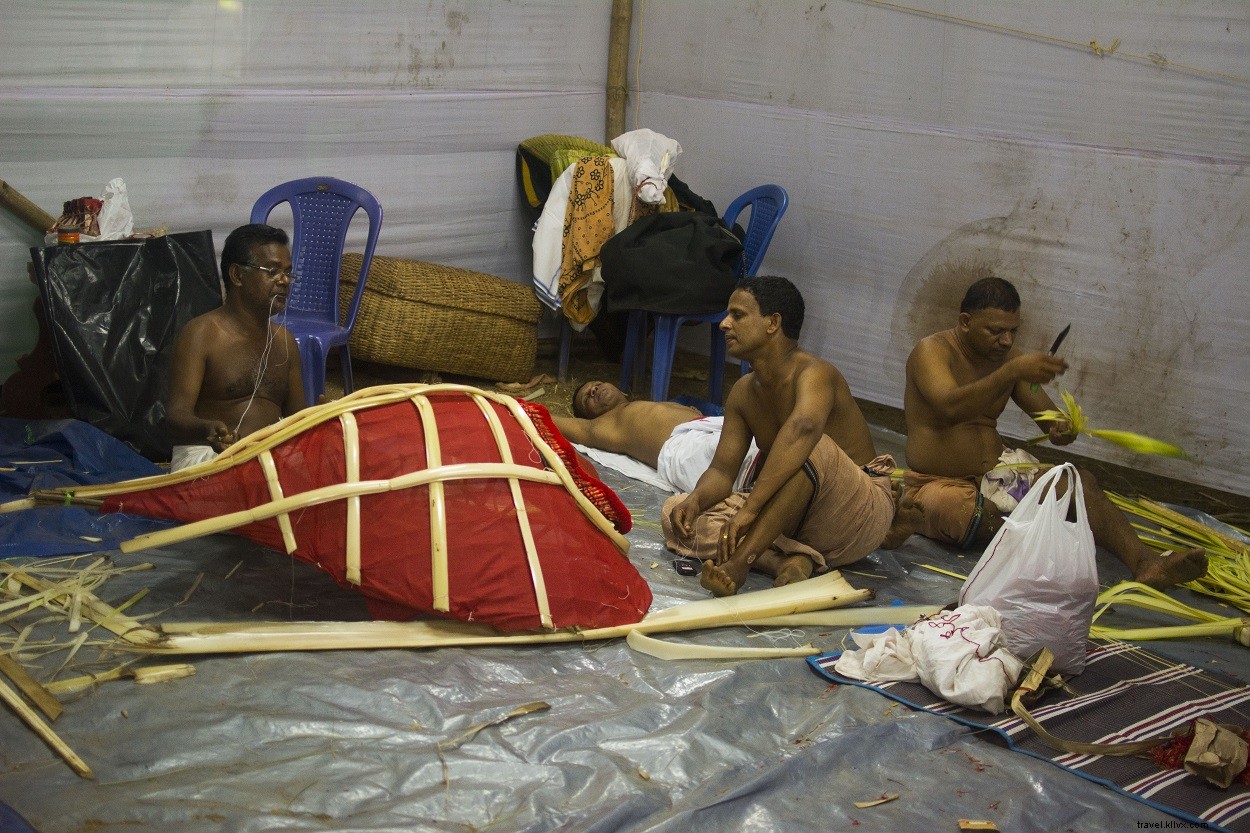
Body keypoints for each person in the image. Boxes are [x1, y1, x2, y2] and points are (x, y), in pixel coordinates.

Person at [902, 275, 1206, 588]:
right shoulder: (932, 351)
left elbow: (1050, 423)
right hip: (938, 483)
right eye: (995, 331)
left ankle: (1147, 563)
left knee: (1078, 483)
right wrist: (1011, 371)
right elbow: (950, 408)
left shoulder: (1010, 361)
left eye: (1013, 331)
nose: (1007, 341)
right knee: (962, 512)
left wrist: (1063, 428)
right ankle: (1018, 524)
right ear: (965, 322)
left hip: (1001, 477)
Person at [662, 276, 922, 597]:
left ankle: (741, 562)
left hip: (855, 512)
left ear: (773, 323)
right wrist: (695, 501)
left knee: (810, 446)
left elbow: (804, 432)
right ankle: (789, 560)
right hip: (792, 516)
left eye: (738, 315)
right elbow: (721, 472)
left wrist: (751, 509)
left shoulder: (815, 373)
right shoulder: (744, 392)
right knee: (673, 513)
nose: (724, 324)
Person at [165, 223, 306, 470]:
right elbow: (176, 416)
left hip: (269, 459)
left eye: (288, 272)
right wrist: (207, 429)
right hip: (209, 458)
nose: (284, 280)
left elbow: (297, 420)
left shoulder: (285, 342)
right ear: (237, 275)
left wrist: (322, 417)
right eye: (272, 271)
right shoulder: (202, 334)